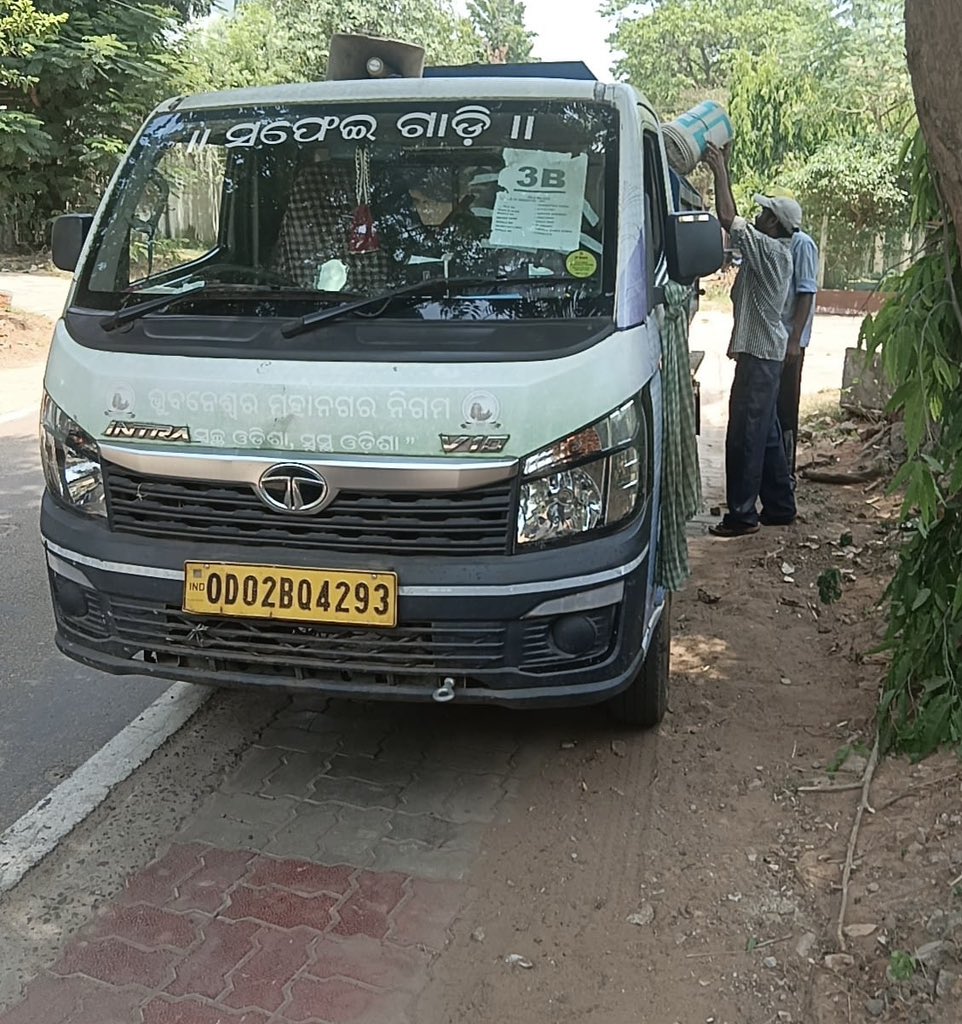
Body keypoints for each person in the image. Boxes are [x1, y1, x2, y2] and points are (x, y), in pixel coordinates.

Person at [703, 142, 797, 537]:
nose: (757, 218)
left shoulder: (771, 253)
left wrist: (719, 170)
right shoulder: (773, 251)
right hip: (766, 355)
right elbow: (737, 219)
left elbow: (728, 217)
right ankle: (779, 504)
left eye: (764, 214)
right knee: (767, 432)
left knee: (745, 434)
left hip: (759, 357)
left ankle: (742, 514)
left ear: (774, 224)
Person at [777, 205, 819, 486]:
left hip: (791, 341)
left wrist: (794, 340)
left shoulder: (802, 245)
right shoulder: (780, 245)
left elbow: (806, 292)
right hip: (777, 339)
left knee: (786, 407)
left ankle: (786, 473)